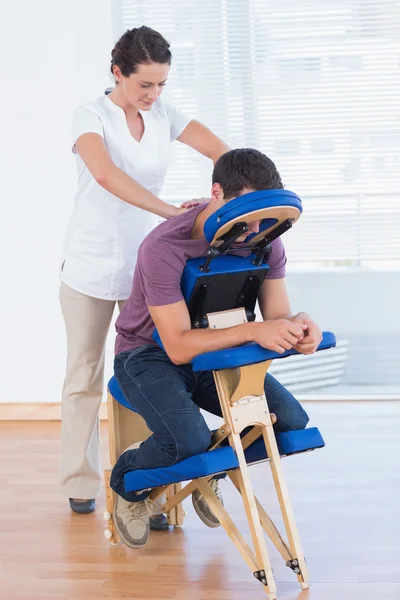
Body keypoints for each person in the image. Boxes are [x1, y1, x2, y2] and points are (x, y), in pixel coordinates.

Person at [108, 148, 323, 549]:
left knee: (290, 421)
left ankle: (210, 468)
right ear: (217, 193)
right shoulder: (163, 247)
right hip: (147, 355)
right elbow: (176, 346)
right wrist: (254, 330)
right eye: (246, 211)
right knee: (186, 440)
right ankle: (126, 483)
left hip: (220, 349)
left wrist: (300, 327)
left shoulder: (265, 239)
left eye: (263, 215)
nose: (255, 226)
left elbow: (279, 314)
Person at [59, 25, 230, 521]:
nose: (154, 95)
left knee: (152, 375)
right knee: (84, 376)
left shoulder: (165, 114)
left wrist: (217, 197)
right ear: (118, 72)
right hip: (91, 263)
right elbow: (108, 175)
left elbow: (224, 154)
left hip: (149, 268)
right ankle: (80, 481)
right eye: (144, 86)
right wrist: (173, 214)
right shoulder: (89, 115)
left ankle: (150, 485)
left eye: (161, 85)